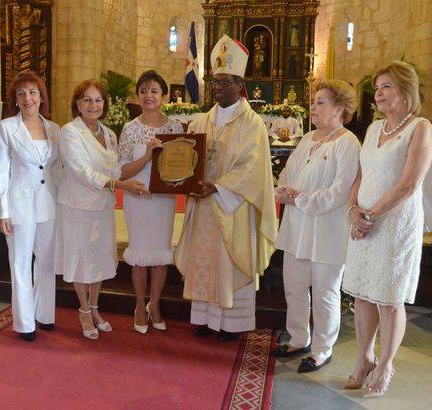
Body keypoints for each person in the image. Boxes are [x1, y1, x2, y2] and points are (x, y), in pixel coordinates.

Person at [342, 61, 432, 397]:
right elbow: (360, 176)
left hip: (395, 224)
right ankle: (364, 357)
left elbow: (409, 184)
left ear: (406, 90)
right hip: (364, 222)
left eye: (387, 87)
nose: (379, 93)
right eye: (378, 87)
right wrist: (354, 210)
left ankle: (384, 364)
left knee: (389, 298)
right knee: (364, 293)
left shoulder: (421, 128)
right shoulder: (372, 129)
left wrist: (370, 215)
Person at [174, 35, 278, 342]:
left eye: (224, 82)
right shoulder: (201, 121)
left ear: (238, 84)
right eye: (214, 81)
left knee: (227, 261)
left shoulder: (253, 124)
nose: (217, 88)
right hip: (204, 207)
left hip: (233, 208)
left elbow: (252, 170)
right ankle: (205, 319)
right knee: (204, 261)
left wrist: (216, 188)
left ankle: (231, 325)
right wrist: (187, 179)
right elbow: (188, 159)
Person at [273, 80, 360, 373]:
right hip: (297, 227)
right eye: (314, 101)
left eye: (321, 102)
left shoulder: (348, 142)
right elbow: (287, 171)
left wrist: (301, 199)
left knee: (325, 292)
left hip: (327, 228)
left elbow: (340, 191)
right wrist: (283, 189)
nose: (313, 106)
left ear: (339, 109)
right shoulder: (309, 137)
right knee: (294, 287)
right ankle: (299, 337)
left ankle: (323, 349)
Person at [55, 80, 148, 340]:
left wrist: (143, 161)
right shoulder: (69, 132)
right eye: (87, 100)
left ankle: (95, 308)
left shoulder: (108, 133)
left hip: (103, 205)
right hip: (78, 206)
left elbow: (116, 167)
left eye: (97, 100)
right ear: (77, 104)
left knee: (98, 259)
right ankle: (83, 310)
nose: (93, 105)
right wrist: (121, 185)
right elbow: (82, 172)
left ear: (104, 104)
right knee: (82, 258)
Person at [0, 71, 60, 342]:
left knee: (46, 262)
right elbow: (0, 170)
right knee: (20, 263)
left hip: (49, 203)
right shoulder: (6, 127)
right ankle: (24, 323)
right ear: (15, 100)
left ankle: (44, 314)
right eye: (21, 93)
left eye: (32, 92)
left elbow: (58, 169)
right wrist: (2, 212)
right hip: (19, 203)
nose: (28, 98)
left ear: (42, 97)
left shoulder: (54, 128)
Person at [118, 70, 183, 334]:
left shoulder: (175, 127)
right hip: (138, 198)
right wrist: (147, 156)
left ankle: (154, 305)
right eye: (143, 90)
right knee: (139, 255)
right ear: (137, 95)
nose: (148, 95)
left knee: (159, 256)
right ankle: (138, 305)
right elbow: (121, 172)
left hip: (163, 201)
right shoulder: (130, 129)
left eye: (154, 90)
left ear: (164, 96)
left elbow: (182, 167)